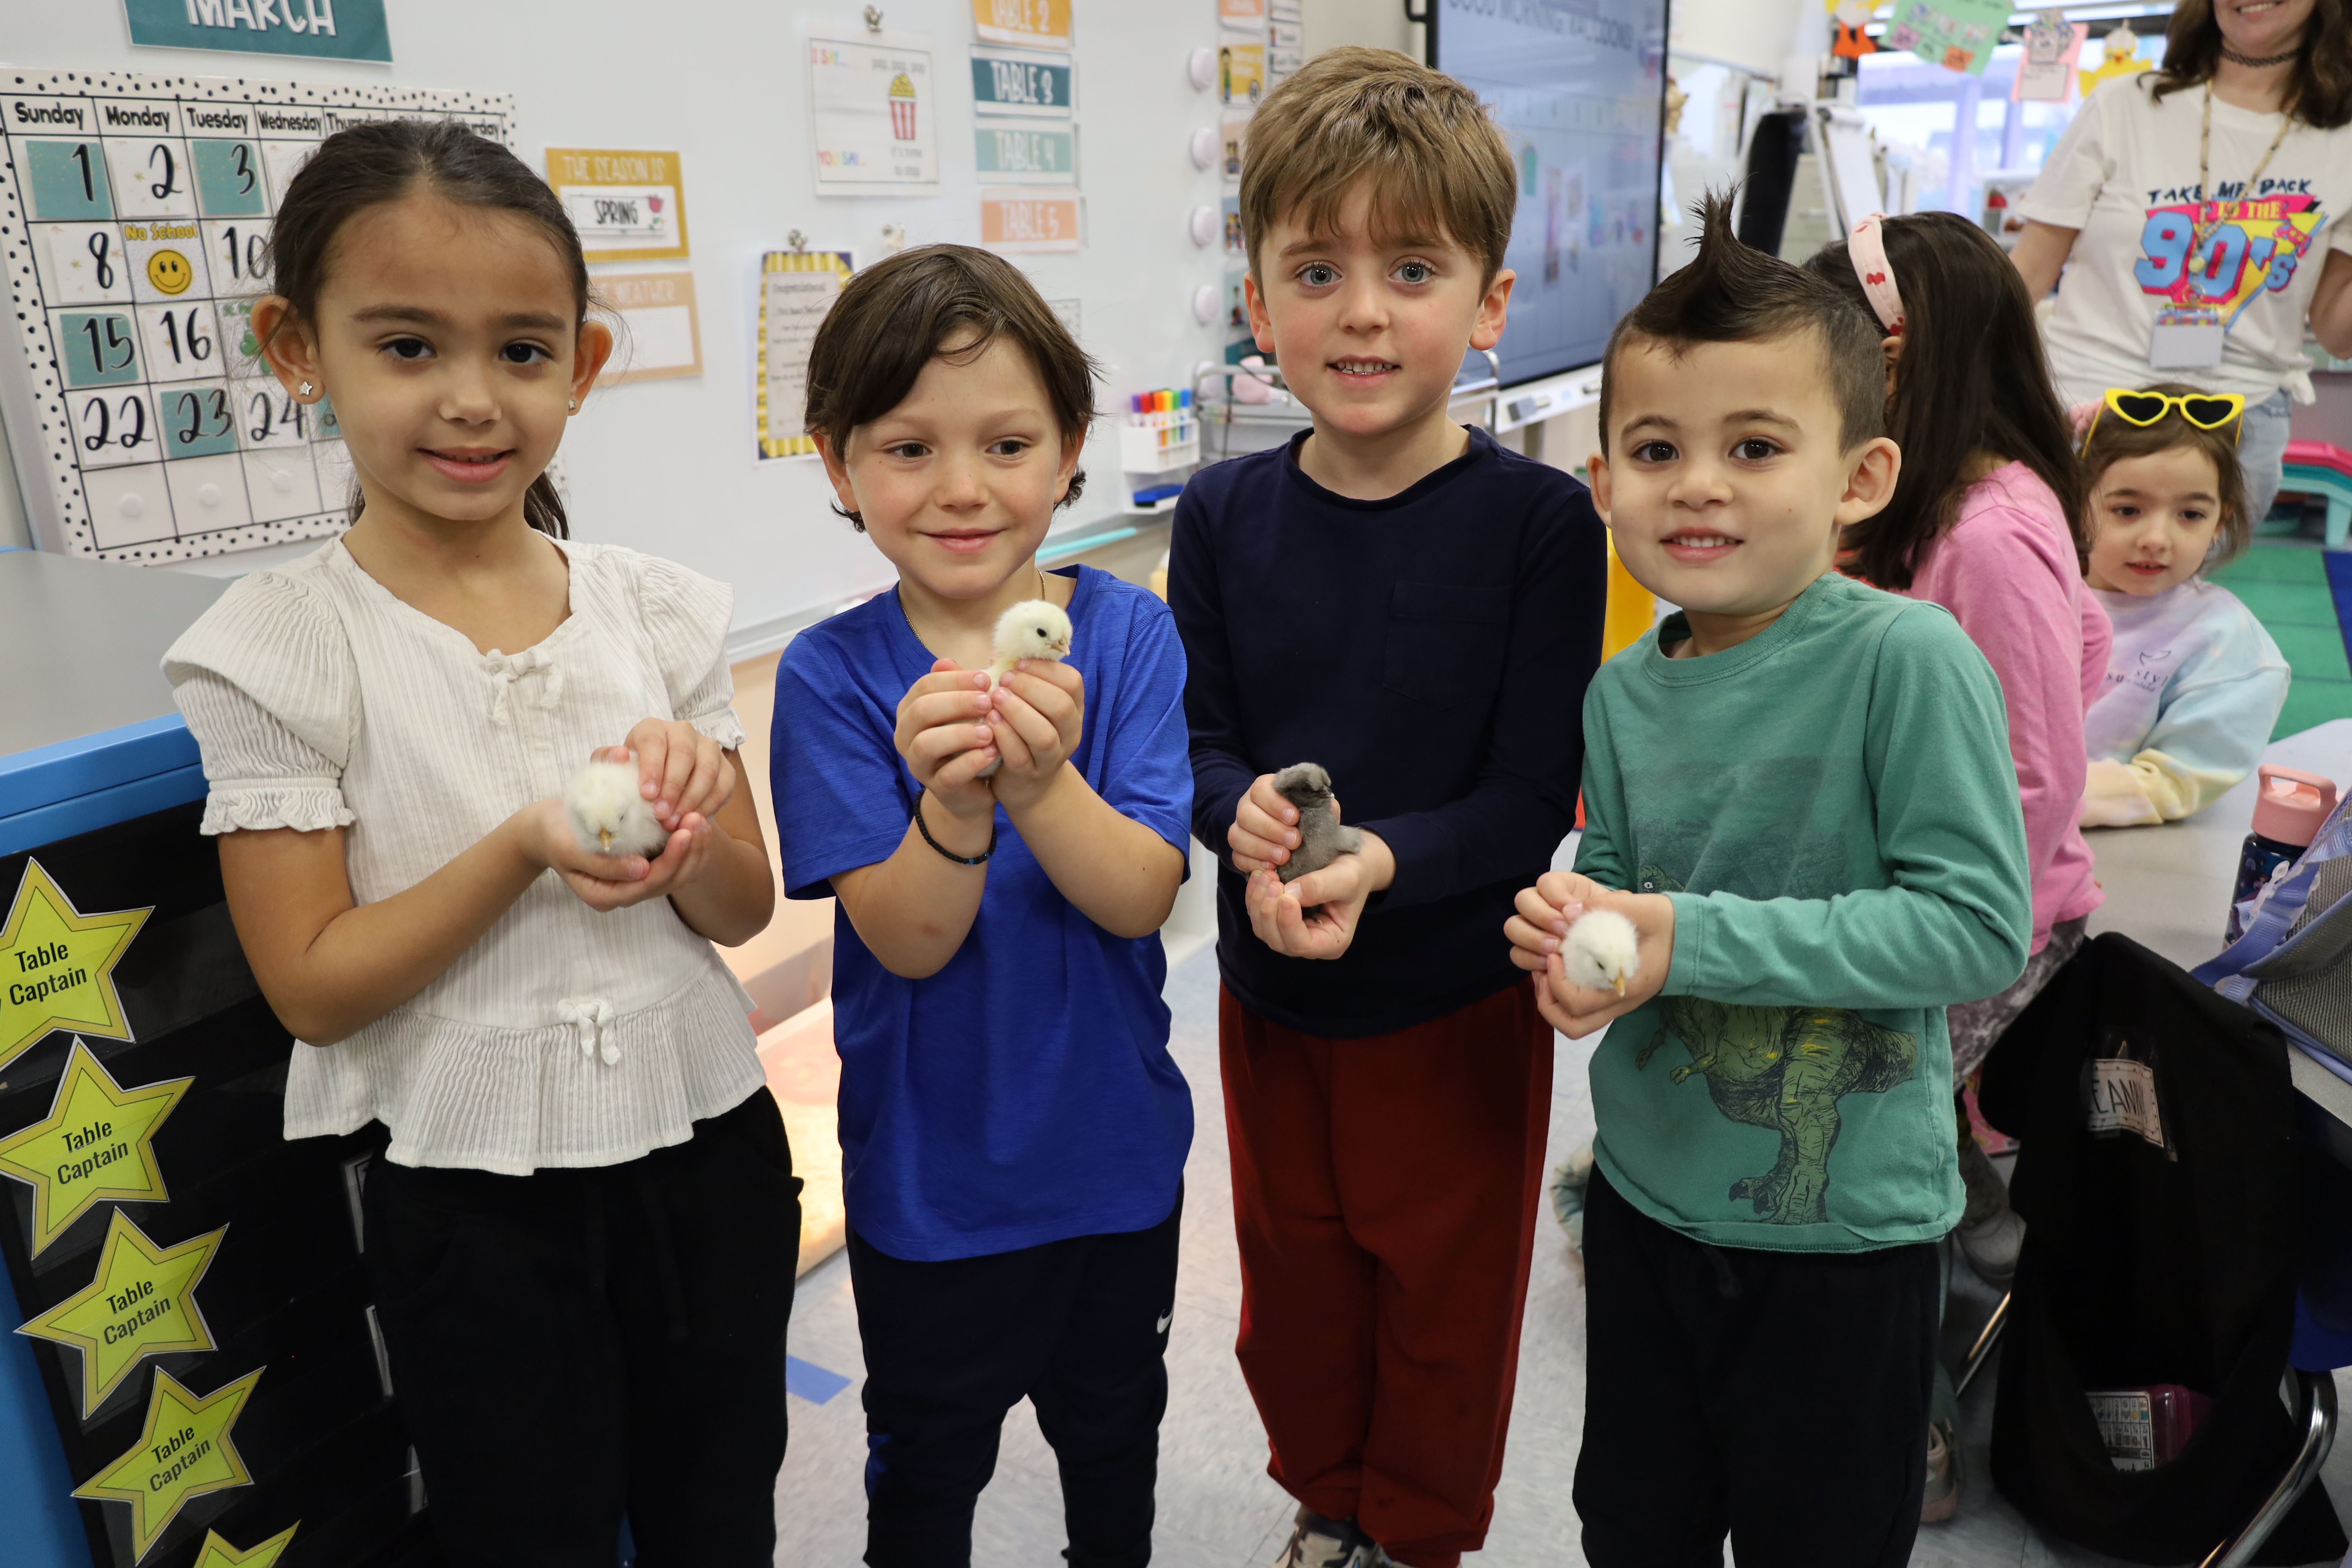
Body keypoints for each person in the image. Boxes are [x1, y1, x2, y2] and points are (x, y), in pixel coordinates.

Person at [160, 121, 797, 1565]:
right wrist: (521, 843)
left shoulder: (659, 611)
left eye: (521, 351)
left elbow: (745, 908)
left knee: (720, 1507)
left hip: (709, 1154)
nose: (470, 401)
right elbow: (316, 984)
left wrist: (693, 822)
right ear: (298, 348)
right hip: (471, 1203)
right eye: (405, 348)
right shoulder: (283, 650)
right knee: (528, 1528)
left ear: (580, 364)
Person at [1507, 197, 2031, 1566]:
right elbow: (1622, 888)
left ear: (1858, 477)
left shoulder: (1905, 661)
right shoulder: (1622, 693)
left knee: (1818, 1538)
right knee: (1634, 1521)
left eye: (1754, 447)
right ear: (1604, 478)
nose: (1698, 485)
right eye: (1655, 449)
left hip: (1843, 1237)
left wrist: (1679, 937)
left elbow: (1974, 928)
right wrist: (1579, 950)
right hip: (1644, 1202)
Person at [1168, 47, 1608, 1568]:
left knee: (1445, 1296)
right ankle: (1326, 1501)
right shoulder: (1220, 513)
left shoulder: (1544, 525)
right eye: (1318, 267)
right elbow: (1203, 742)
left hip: (1454, 1002)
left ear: (1487, 304)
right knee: (1293, 1285)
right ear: (1260, 299)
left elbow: (1524, 795)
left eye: (1412, 267)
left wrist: (1381, 857)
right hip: (1273, 993)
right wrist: (1237, 817)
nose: (1362, 308)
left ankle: (1416, 1533)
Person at [768, 245, 1193, 1568]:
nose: (961, 489)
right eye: (908, 449)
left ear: (1070, 451)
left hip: (1114, 1165)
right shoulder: (830, 679)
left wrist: (1044, 778)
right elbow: (906, 935)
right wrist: (953, 804)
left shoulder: (1125, 640)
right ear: (838, 464)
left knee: (1115, 1434)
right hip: (930, 1181)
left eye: (1008, 443)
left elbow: (1139, 899)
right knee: (931, 1456)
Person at [1804, 212, 2104, 1412]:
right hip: (1922, 900)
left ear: (1899, 357)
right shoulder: (1925, 500)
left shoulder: (1984, 530)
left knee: (1858, 1138)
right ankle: (1992, 1267)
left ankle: (1908, 1408)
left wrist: (1916, 944)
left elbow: (2034, 782)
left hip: (1985, 924)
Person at [2009, 0, 2352, 531]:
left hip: (2237, 426)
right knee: (2048, 601)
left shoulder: (2343, 142)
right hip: (2083, 409)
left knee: (2175, 613)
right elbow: (2024, 276)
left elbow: (2337, 333)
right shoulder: (2124, 105)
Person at [2075, 383, 2291, 826]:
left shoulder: (2224, 640)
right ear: (2077, 504)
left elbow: (2173, 781)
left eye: (2190, 515)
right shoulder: (2030, 593)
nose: (2156, 539)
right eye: (2128, 509)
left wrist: (2039, 804)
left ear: (2219, 522)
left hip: (2125, 854)